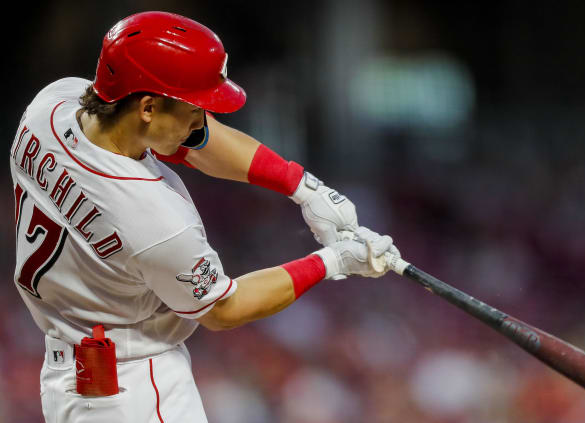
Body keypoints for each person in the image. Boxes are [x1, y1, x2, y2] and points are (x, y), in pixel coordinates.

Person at [10, 11, 398, 422]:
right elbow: (224, 309)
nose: (202, 118)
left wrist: (302, 186)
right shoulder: (152, 218)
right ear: (147, 107)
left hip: (71, 376)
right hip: (134, 389)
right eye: (194, 107)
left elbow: (191, 141)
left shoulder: (50, 108)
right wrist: (333, 260)